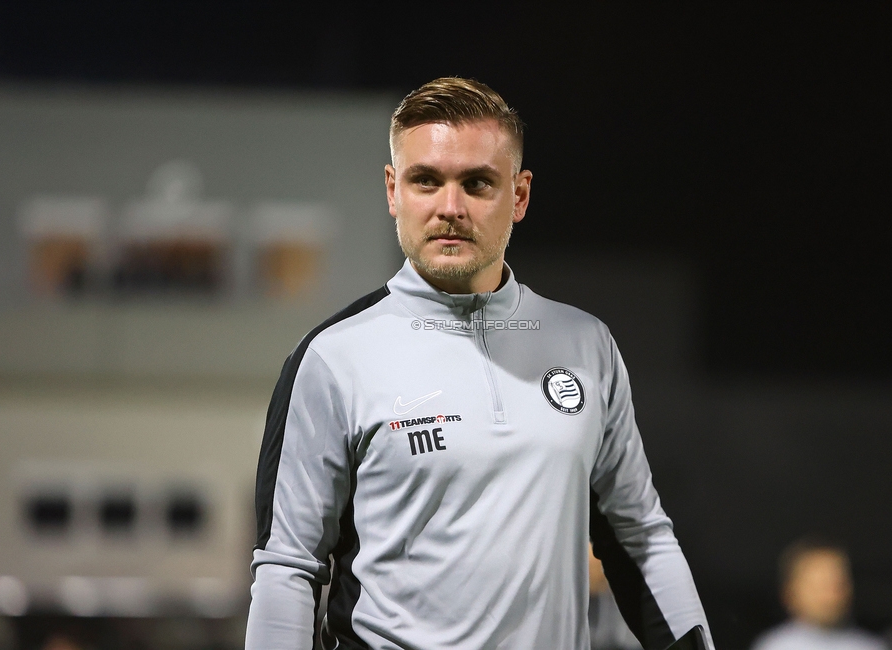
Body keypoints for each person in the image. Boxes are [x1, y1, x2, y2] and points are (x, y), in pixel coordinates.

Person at [245, 77, 714, 650]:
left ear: (518, 196)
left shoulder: (586, 344)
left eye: (476, 183)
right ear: (393, 191)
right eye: (426, 181)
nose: (450, 207)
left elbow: (639, 537)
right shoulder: (332, 357)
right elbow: (286, 566)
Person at [750, 538, 887, 650]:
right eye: (818, 585)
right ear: (790, 593)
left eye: (835, 583)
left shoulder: (870, 646)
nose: (829, 595)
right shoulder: (774, 646)